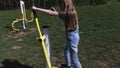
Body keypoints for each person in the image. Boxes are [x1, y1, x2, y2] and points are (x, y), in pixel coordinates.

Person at [32, 0, 82, 68]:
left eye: (61, 4)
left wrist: (37, 9)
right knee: (66, 51)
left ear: (65, 4)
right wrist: (54, 11)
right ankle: (68, 66)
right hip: (72, 34)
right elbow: (59, 14)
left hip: (72, 37)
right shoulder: (71, 10)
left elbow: (51, 13)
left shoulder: (69, 13)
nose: (59, 5)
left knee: (74, 59)